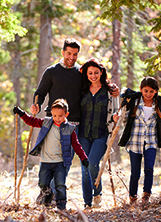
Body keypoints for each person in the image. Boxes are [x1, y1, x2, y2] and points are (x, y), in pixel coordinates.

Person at [30, 38, 119, 203]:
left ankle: (53, 195)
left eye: (75, 54)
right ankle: (46, 192)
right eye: (69, 53)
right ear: (63, 52)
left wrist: (113, 89)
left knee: (65, 161)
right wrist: (36, 104)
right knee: (51, 159)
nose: (72, 57)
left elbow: (96, 83)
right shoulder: (51, 71)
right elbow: (40, 92)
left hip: (74, 125)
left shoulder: (80, 73)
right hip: (52, 122)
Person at [13, 99, 89, 210]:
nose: (57, 118)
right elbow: (32, 121)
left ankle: (61, 207)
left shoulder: (69, 128)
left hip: (60, 162)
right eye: (54, 115)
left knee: (60, 185)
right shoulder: (46, 122)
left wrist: (83, 158)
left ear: (66, 114)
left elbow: (76, 145)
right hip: (45, 161)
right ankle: (47, 195)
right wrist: (21, 113)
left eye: (60, 116)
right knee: (43, 183)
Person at [115, 77, 161, 207]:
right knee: (135, 172)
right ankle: (133, 197)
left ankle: (146, 196)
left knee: (149, 169)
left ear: (156, 91)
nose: (148, 94)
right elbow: (125, 119)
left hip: (151, 142)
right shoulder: (134, 103)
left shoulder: (158, 106)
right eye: (146, 91)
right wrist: (117, 117)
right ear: (141, 90)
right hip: (135, 141)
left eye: (151, 91)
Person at [78, 58, 119, 208]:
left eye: (96, 72)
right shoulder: (82, 90)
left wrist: (116, 116)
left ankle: (97, 193)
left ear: (101, 72)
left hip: (101, 134)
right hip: (82, 135)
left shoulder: (110, 91)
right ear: (86, 74)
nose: (93, 75)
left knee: (92, 164)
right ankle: (87, 202)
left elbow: (117, 110)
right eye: (90, 73)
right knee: (84, 168)